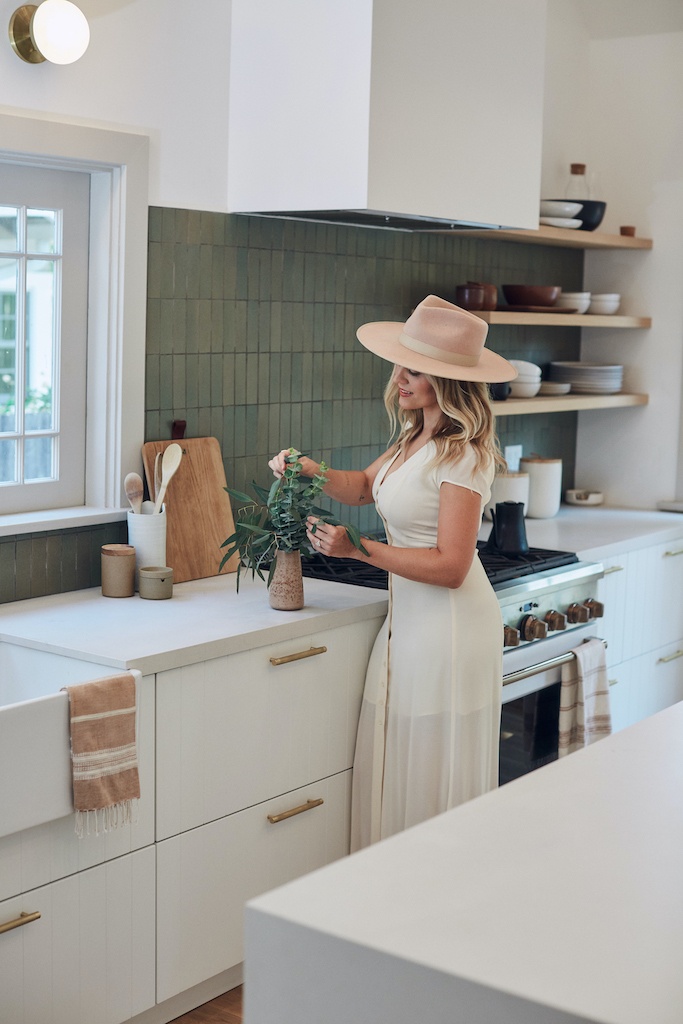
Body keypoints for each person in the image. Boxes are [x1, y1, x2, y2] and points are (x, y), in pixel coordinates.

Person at [268, 294, 517, 850]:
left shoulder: (464, 454)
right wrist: (307, 468)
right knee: (399, 754)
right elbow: (361, 487)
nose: (398, 377)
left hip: (450, 627)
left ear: (448, 380)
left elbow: (452, 567)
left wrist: (358, 550)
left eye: (414, 369)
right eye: (401, 363)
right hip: (411, 622)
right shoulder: (414, 438)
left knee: (430, 766)